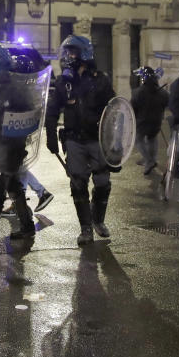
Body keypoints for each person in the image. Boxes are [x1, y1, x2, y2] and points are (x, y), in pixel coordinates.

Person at [45, 35, 116, 246]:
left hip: (97, 139)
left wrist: (117, 144)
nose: (68, 56)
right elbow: (52, 111)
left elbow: (114, 110)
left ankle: (98, 220)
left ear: (84, 53)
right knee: (78, 183)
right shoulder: (64, 81)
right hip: (74, 140)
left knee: (103, 183)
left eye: (72, 52)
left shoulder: (100, 79)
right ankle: (86, 229)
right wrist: (50, 137)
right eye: (67, 52)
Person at [0, 46, 47, 245]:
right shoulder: (1, 86)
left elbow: (10, 118)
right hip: (1, 144)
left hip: (9, 145)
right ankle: (27, 226)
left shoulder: (13, 90)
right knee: (12, 186)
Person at [131, 66, 169, 177]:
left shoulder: (138, 92)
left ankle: (149, 161)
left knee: (138, 140)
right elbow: (167, 102)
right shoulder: (162, 92)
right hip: (156, 122)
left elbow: (133, 107)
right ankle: (151, 159)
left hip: (142, 123)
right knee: (152, 139)